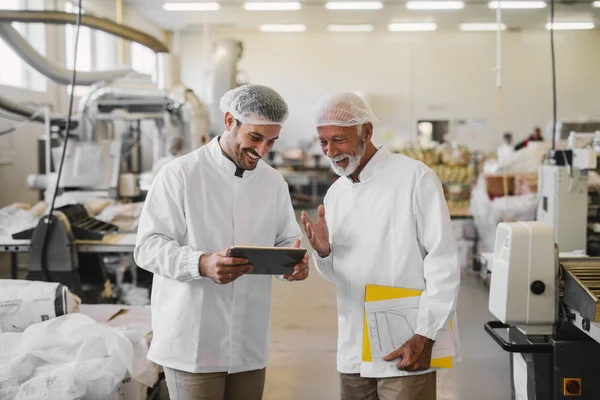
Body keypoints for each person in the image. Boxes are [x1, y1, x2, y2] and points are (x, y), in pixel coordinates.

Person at [134, 84, 310, 400]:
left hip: (248, 343)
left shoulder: (272, 182)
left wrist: (292, 264)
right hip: (193, 342)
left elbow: (286, 238)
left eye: (271, 141)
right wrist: (200, 264)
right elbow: (148, 246)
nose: (262, 150)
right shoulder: (180, 174)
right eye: (255, 138)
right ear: (229, 121)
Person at [301, 93, 460, 400]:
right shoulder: (337, 194)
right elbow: (341, 276)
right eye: (323, 142)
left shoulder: (414, 178)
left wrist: (427, 334)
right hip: (352, 346)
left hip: (405, 340)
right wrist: (324, 253)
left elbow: (443, 261)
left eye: (339, 140)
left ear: (367, 132)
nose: (331, 152)